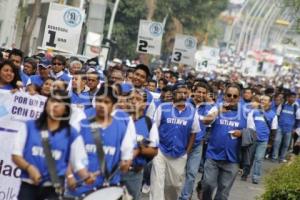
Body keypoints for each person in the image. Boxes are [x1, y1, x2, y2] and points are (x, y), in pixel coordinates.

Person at [11, 90, 92, 200]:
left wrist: (86, 176)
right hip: (28, 185)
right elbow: (16, 155)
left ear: (66, 109)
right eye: (52, 101)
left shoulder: (72, 133)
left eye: (59, 102)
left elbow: (79, 162)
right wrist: (29, 168)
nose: (55, 105)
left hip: (54, 188)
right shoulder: (29, 126)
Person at [68, 86, 136, 197]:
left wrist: (125, 164)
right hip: (80, 188)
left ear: (114, 106)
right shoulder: (80, 125)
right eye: (99, 100)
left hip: (108, 191)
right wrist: (70, 176)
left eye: (106, 102)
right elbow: (68, 155)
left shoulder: (123, 129)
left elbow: (126, 160)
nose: (101, 105)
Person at [150, 82, 200, 200]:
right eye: (179, 93)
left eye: (185, 93)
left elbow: (194, 132)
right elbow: (154, 128)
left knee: (174, 185)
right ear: (173, 94)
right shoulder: (163, 108)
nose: (182, 95)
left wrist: (187, 151)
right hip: (161, 151)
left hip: (179, 153)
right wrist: (155, 146)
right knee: (157, 182)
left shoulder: (192, 111)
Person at [201, 83, 248, 200]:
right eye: (229, 95)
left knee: (223, 192)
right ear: (224, 96)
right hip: (213, 156)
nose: (231, 98)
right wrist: (218, 112)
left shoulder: (246, 112)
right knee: (208, 185)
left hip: (232, 159)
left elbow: (253, 133)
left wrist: (242, 133)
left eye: (235, 96)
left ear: (239, 98)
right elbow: (205, 121)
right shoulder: (217, 107)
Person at [121, 88, 159, 200]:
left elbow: (154, 151)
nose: (133, 101)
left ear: (145, 104)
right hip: (114, 171)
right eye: (130, 99)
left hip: (134, 173)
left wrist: (139, 149)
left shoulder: (149, 123)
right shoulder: (117, 118)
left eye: (138, 99)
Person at [180, 82, 213, 200]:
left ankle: (185, 196)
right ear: (193, 91)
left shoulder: (209, 108)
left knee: (192, 173)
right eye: (199, 91)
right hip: (182, 142)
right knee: (177, 172)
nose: (201, 94)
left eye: (204, 93)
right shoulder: (184, 103)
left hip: (197, 145)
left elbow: (209, 121)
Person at [243, 95, 278, 184]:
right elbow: (249, 124)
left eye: (265, 100)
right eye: (261, 100)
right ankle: (245, 173)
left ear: (270, 103)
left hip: (263, 141)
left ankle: (256, 177)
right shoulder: (254, 111)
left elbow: (274, 130)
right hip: (253, 139)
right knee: (249, 158)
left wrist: (270, 143)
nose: (262, 101)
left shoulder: (273, 115)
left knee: (259, 158)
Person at [272, 91, 300, 162]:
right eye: (291, 97)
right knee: (277, 142)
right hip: (280, 127)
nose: (293, 99)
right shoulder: (283, 105)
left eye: (294, 97)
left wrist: (295, 128)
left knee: (286, 144)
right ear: (287, 98)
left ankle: (282, 158)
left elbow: (298, 119)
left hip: (289, 129)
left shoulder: (296, 107)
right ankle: (274, 157)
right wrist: (277, 125)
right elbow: (277, 115)